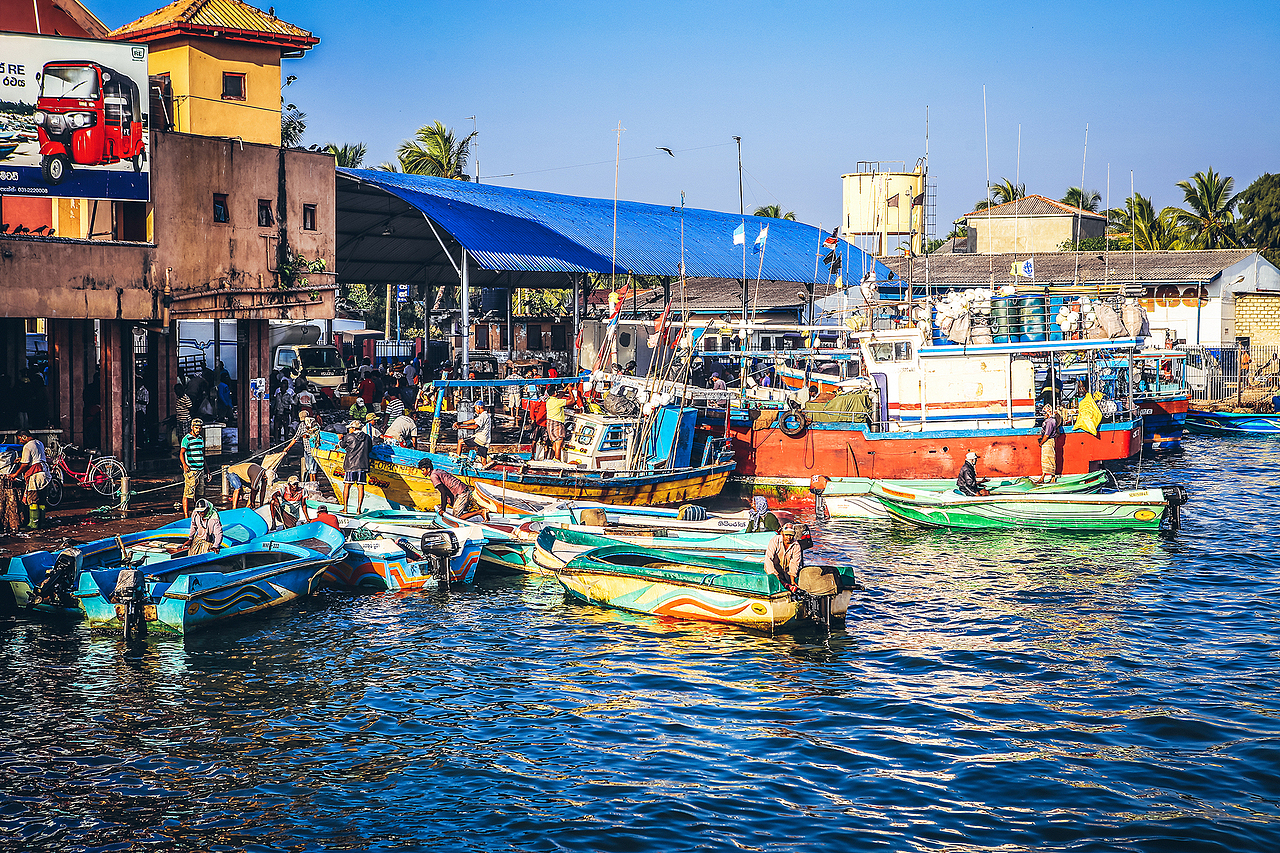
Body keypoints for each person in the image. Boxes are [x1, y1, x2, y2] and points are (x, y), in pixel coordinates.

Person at [9, 429, 52, 530]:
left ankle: (33, 524)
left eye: (20, 439)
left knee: (33, 500)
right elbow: (36, 456)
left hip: (35, 475)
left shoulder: (27, 446)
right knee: (42, 500)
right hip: (45, 473)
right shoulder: (39, 443)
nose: (20, 441)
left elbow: (25, 465)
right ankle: (42, 523)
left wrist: (15, 474)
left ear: (24, 436)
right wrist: (21, 458)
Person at [339, 420, 372, 513]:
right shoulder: (367, 437)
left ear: (353, 428)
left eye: (350, 428)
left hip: (351, 464)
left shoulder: (349, 437)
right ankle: (359, 509)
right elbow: (370, 449)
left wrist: (340, 439)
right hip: (363, 465)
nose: (349, 430)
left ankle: (345, 508)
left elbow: (342, 445)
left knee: (347, 485)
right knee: (360, 486)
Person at [285, 409, 322, 484]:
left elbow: (317, 436)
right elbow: (296, 438)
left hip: (313, 450)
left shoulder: (314, 424)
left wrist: (308, 435)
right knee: (309, 468)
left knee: (313, 469)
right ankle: (312, 482)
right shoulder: (301, 425)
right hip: (306, 449)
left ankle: (313, 483)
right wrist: (287, 448)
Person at [763, 524, 802, 593]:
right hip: (772, 569)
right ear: (782, 533)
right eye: (786, 535)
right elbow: (768, 558)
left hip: (785, 571)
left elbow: (794, 563)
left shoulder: (796, 545)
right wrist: (774, 574)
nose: (789, 537)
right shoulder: (775, 540)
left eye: (791, 535)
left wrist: (792, 581)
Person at [455, 399, 494, 468]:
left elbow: (475, 426)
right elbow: (473, 421)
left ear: (479, 407)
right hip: (486, 441)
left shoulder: (483, 416)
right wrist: (460, 422)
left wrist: (461, 427)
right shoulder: (485, 415)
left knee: (460, 441)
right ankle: (486, 470)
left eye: (476, 408)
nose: (475, 410)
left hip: (480, 438)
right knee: (483, 461)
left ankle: (457, 460)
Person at [180, 418, 206, 516]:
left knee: (200, 493)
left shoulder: (200, 439)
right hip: (191, 470)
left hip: (201, 469)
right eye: (196, 428)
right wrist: (184, 464)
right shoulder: (186, 439)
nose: (198, 430)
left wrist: (207, 470)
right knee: (188, 493)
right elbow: (181, 453)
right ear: (192, 427)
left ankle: (198, 512)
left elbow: (202, 455)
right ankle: (186, 514)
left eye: (199, 428)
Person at [1037, 404, 1059, 484]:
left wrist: (1041, 443)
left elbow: (1047, 435)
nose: (1044, 415)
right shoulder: (1051, 420)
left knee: (1049, 459)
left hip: (1048, 441)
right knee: (1047, 459)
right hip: (1048, 441)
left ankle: (1051, 477)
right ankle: (1045, 477)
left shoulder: (1050, 421)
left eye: (1045, 413)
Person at [545, 389, 569, 461]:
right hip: (557, 423)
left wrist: (567, 387)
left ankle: (552, 459)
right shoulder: (557, 402)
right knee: (558, 444)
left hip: (550, 423)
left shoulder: (549, 400)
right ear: (555, 393)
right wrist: (570, 391)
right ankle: (557, 460)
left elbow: (560, 396)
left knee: (555, 443)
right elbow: (572, 401)